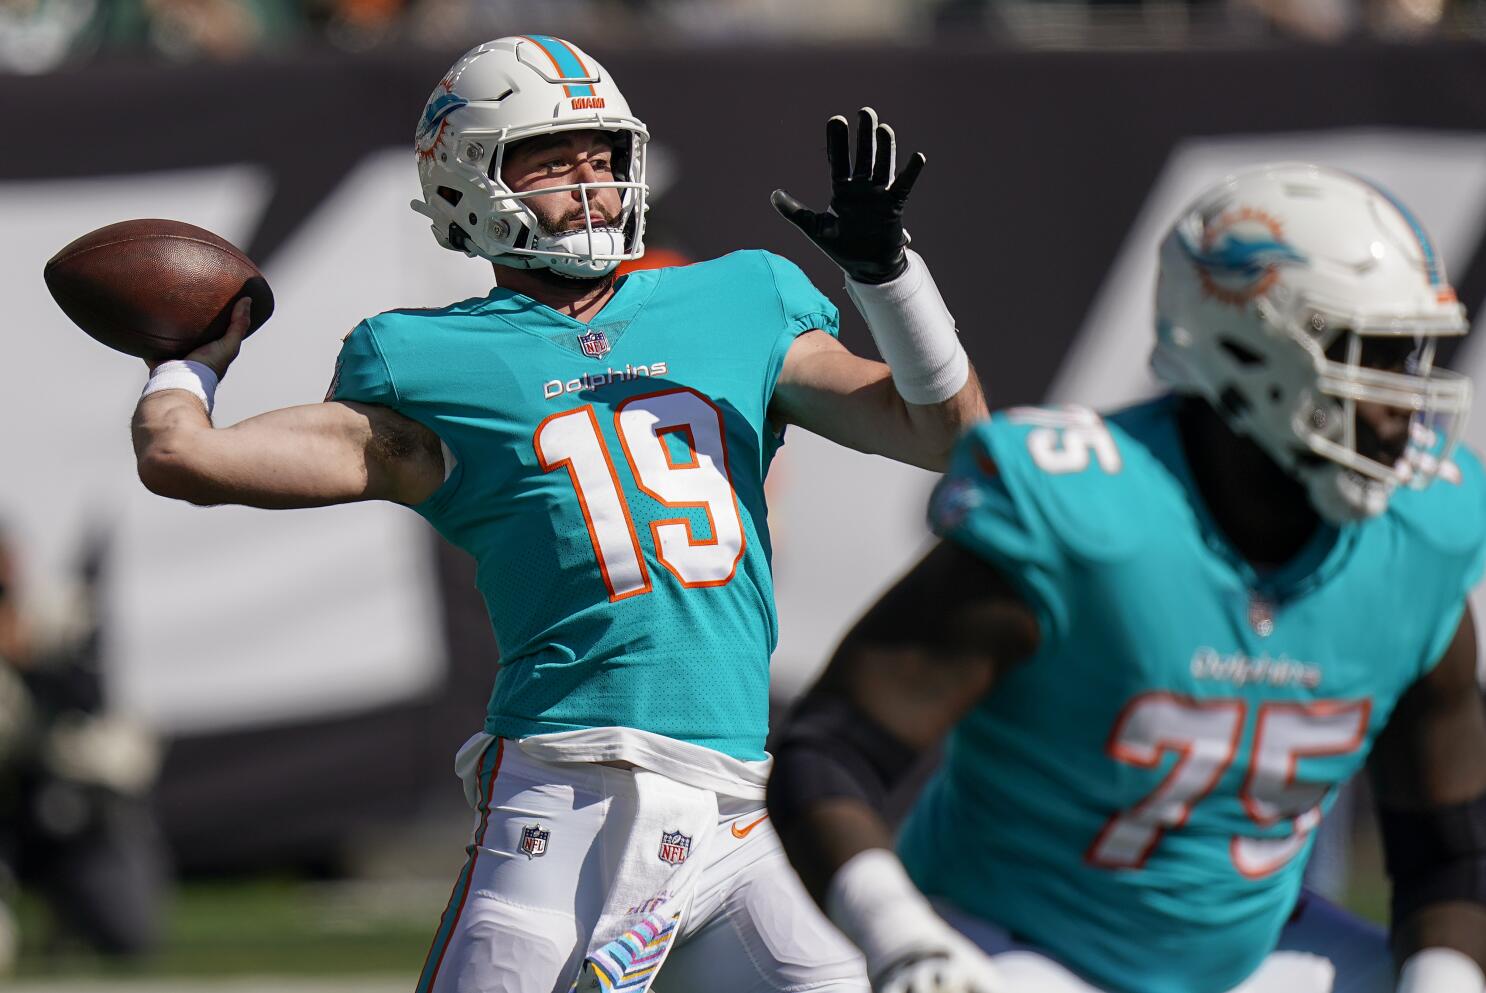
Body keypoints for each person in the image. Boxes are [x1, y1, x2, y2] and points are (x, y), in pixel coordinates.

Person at [129, 35, 985, 993]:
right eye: (549, 157)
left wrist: (890, 276)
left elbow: (949, 435)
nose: (590, 180)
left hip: (743, 813)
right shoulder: (426, 360)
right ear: (467, 183)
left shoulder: (741, 297)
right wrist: (187, 360)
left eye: (604, 154)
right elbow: (183, 455)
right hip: (567, 801)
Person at [766, 163, 1486, 993]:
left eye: (1409, 359)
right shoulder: (1091, 516)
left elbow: (1448, 845)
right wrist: (904, 937)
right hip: (1021, 948)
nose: (1404, 407)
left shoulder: (1421, 530)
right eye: (1369, 357)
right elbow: (828, 751)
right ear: (1245, 346)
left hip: (1257, 958)